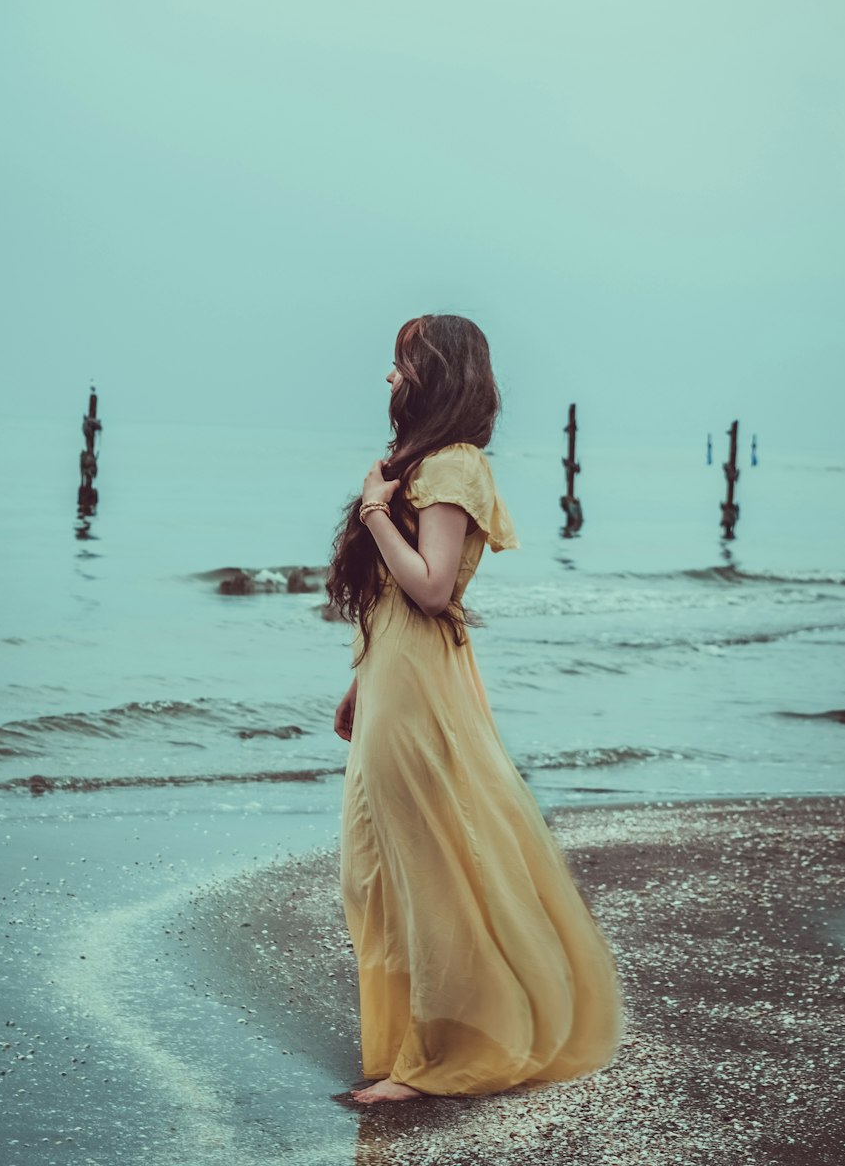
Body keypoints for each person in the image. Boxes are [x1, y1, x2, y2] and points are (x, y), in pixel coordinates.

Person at [327, 314, 624, 1106]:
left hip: (420, 681)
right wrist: (361, 678)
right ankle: (404, 1049)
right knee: (373, 867)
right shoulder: (422, 463)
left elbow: (429, 586)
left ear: (436, 374)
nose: (389, 379)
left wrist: (374, 514)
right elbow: (399, 602)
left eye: (401, 364)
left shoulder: (453, 468)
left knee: (424, 863)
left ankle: (438, 1058)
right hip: (393, 674)